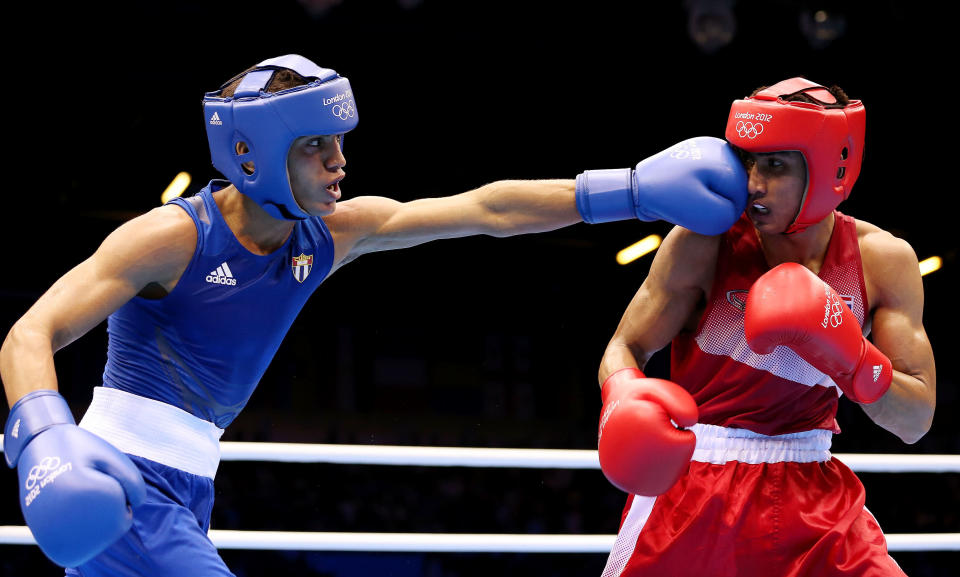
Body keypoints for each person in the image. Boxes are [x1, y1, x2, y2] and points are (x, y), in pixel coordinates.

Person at [0, 54, 749, 575]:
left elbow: (482, 209)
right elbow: (31, 331)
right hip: (123, 477)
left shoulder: (328, 234)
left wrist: (630, 191)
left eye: (339, 143)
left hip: (190, 482)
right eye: (317, 146)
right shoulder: (174, 236)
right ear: (255, 155)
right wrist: (44, 440)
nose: (339, 162)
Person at [595, 77, 936, 576]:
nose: (753, 183)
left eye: (775, 164)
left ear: (827, 169)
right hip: (696, 487)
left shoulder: (880, 260)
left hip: (813, 492)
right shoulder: (704, 240)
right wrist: (622, 394)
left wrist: (851, 356)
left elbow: (915, 420)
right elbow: (625, 346)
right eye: (748, 161)